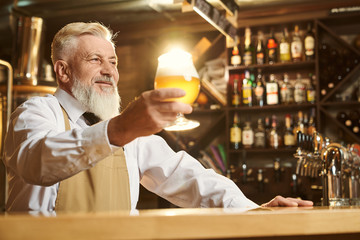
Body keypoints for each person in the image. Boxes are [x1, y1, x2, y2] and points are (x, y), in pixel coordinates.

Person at [2, 22, 313, 212]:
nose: (109, 70)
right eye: (95, 59)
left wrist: (251, 210)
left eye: (113, 61)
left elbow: (187, 176)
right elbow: (38, 161)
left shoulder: (123, 130)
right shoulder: (36, 113)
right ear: (63, 71)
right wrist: (120, 129)